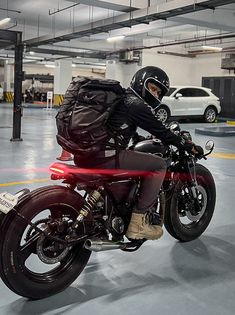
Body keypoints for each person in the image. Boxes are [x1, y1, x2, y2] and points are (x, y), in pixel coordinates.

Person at [74, 66, 203, 241]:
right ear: (141, 82)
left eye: (159, 92)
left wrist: (138, 137)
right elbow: (163, 132)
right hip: (106, 156)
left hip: (87, 154)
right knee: (158, 165)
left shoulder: (123, 99)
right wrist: (189, 146)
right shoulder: (136, 103)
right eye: (153, 88)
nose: (155, 95)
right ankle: (137, 223)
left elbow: (120, 127)